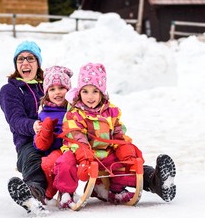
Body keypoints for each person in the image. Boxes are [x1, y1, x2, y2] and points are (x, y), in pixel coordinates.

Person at [62, 62, 177, 204]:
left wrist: (126, 152)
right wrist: (85, 157)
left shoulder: (110, 111)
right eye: (85, 91)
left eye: (95, 91)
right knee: (66, 163)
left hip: (106, 152)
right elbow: (77, 137)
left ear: (102, 92)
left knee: (128, 164)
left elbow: (118, 134)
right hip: (83, 154)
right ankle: (68, 194)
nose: (90, 96)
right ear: (79, 92)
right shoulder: (75, 114)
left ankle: (153, 181)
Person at [0, 40, 49, 214]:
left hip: (55, 139)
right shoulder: (10, 90)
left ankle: (118, 182)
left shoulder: (49, 86)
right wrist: (33, 125)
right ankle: (32, 194)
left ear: (38, 63)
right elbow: (15, 119)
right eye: (20, 59)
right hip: (29, 142)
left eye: (30, 58)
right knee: (34, 161)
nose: (25, 63)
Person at [33, 65, 79, 209]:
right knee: (48, 163)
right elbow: (39, 143)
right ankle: (50, 192)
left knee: (66, 162)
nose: (57, 92)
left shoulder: (76, 109)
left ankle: (68, 192)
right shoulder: (44, 114)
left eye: (61, 88)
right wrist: (46, 131)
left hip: (77, 147)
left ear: (68, 90)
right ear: (47, 94)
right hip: (57, 149)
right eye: (52, 89)